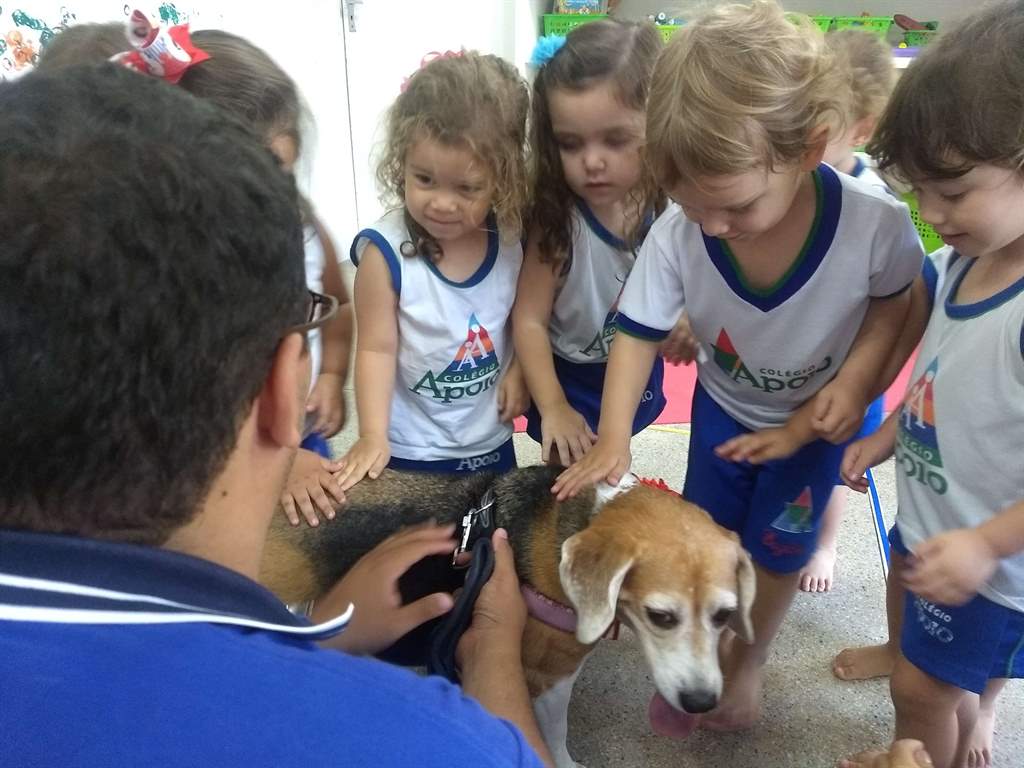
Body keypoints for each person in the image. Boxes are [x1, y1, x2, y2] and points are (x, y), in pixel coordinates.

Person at [0, 63, 550, 767]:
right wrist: (492, 661)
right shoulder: (438, 741)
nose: (444, 201)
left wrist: (319, 630)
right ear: (282, 393)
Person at [554, 0, 923, 731]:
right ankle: (705, 637)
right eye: (694, 210)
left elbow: (899, 305)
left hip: (813, 425)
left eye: (735, 207)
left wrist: (858, 386)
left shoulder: (876, 226)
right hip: (723, 410)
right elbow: (636, 329)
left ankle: (747, 664)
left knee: (779, 549)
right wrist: (614, 436)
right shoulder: (677, 229)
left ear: (812, 147)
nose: (713, 228)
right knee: (706, 541)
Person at [37, 21, 354, 527]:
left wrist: (333, 377)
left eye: (280, 178)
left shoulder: (304, 230)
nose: (267, 204)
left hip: (291, 429)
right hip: (222, 459)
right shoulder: (175, 287)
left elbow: (339, 303)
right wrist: (284, 458)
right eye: (243, 183)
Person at [836, 4, 1024, 766]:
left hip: (995, 560)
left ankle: (941, 730)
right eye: (918, 192)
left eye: (952, 191)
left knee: (921, 696)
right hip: (934, 511)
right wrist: (885, 436)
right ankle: (948, 688)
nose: (931, 214)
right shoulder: (961, 262)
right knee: (905, 588)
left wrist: (984, 544)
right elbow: (937, 374)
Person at [330, 51, 530, 498]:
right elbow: (377, 349)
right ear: (400, 163)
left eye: (467, 188)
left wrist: (519, 369)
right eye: (424, 179)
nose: (441, 203)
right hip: (409, 445)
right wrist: (372, 435)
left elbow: (523, 318)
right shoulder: (385, 255)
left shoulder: (514, 240)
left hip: (490, 438)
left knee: (488, 543)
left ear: (502, 179)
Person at [512, 20, 665, 467]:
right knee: (567, 471)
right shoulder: (558, 219)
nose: (592, 162)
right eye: (570, 143)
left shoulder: (670, 207)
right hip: (567, 376)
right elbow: (530, 320)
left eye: (616, 140)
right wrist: (555, 406)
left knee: (613, 461)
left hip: (635, 364)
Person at [801, 26, 897, 593]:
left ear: (861, 130)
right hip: (801, 360)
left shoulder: (876, 202)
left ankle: (827, 546)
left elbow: (893, 302)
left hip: (855, 364)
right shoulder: (797, 183)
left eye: (821, 124)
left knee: (838, 471)